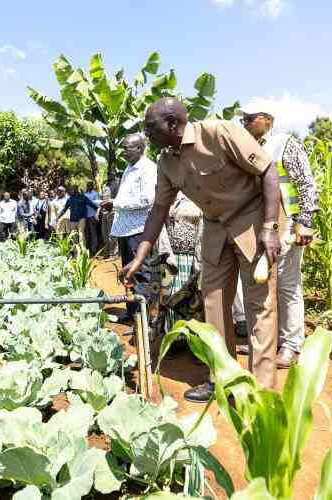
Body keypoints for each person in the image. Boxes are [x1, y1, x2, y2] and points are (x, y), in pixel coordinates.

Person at [121, 97, 284, 402]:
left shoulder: (219, 133)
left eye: (150, 127)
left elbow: (268, 171)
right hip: (215, 225)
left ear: (172, 123)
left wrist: (270, 227)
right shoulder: (166, 162)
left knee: (259, 305)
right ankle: (222, 379)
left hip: (252, 218)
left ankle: (260, 391)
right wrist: (139, 257)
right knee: (213, 302)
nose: (147, 134)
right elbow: (159, 209)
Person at [231, 104, 320, 368]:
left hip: (287, 223)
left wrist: (305, 222)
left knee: (286, 284)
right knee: (261, 284)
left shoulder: (285, 144)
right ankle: (267, 341)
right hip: (259, 226)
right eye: (243, 119)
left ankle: (291, 345)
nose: (245, 123)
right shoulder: (247, 146)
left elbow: (306, 183)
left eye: (250, 118)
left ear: (267, 120)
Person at [103, 134, 174, 327]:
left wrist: (116, 204)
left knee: (142, 274)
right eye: (123, 148)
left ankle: (142, 321)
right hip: (126, 230)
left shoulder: (148, 169)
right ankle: (132, 312)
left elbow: (148, 199)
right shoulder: (129, 168)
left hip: (139, 230)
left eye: (127, 148)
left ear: (140, 149)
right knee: (130, 274)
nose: (123, 152)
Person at [165, 194, 204, 326]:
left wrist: (199, 264)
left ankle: (190, 334)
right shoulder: (167, 194)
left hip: (193, 260)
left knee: (191, 299)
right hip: (171, 259)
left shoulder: (200, 197)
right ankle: (173, 331)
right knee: (170, 297)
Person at [98, 186, 118, 258]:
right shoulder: (102, 199)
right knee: (105, 235)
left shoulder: (112, 199)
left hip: (111, 215)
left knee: (111, 235)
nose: (104, 194)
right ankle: (107, 253)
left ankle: (113, 253)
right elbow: (100, 205)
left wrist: (104, 203)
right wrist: (98, 212)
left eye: (105, 193)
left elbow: (111, 203)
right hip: (104, 216)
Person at [84, 182, 101, 255]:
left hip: (92, 215)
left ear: (92, 186)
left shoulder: (95, 194)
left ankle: (94, 248)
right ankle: (88, 248)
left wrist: (96, 215)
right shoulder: (85, 194)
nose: (88, 186)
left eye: (89, 185)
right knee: (87, 233)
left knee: (93, 232)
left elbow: (97, 204)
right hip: (85, 216)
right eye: (87, 185)